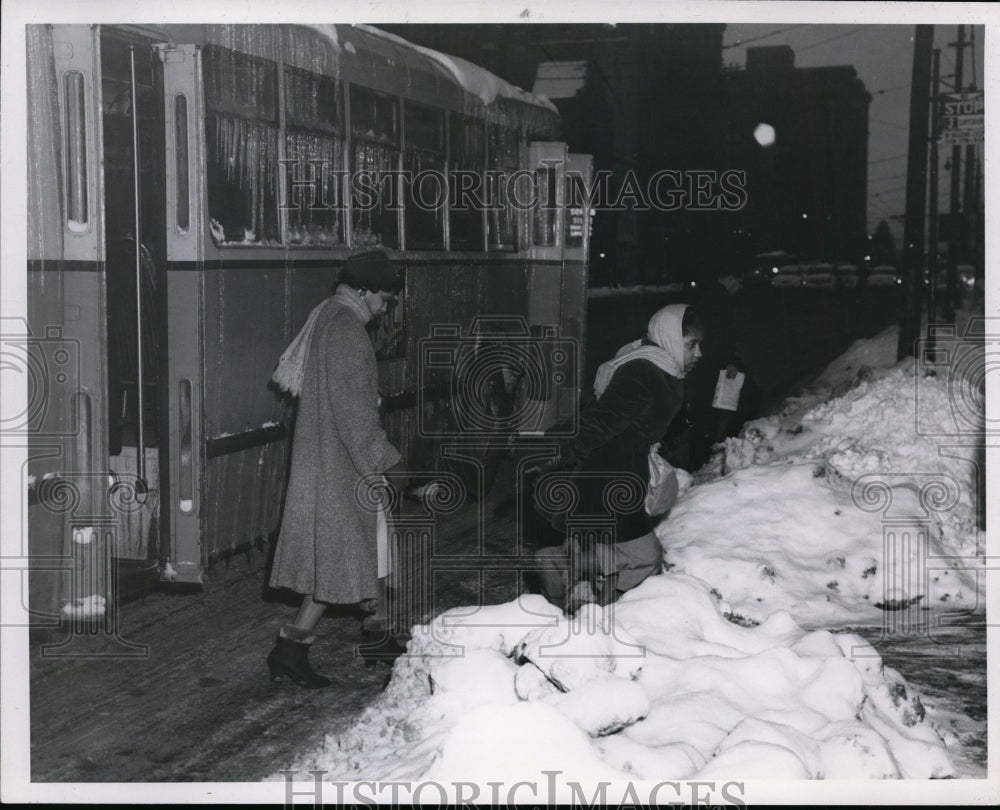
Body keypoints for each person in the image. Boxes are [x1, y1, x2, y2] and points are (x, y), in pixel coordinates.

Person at [266, 250, 405, 689]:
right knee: (340, 563)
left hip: (329, 457)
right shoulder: (347, 329)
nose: (385, 308)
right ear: (363, 291)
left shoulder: (328, 313)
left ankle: (378, 634)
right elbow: (355, 413)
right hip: (342, 464)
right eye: (384, 298)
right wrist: (386, 460)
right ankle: (290, 650)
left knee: (367, 550)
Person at [532, 304, 703, 613]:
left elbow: (646, 421)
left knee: (606, 552)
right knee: (644, 558)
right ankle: (589, 599)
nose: (698, 352)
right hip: (607, 475)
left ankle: (566, 575)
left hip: (625, 473)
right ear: (671, 339)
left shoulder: (665, 366)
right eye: (692, 344)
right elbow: (603, 419)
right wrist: (557, 451)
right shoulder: (643, 370)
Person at [684, 268, 759, 471]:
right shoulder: (719, 299)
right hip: (715, 363)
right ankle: (704, 458)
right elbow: (718, 336)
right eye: (738, 282)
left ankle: (702, 456)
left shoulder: (712, 295)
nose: (739, 288)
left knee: (708, 411)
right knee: (711, 412)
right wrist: (728, 361)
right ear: (728, 277)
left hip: (709, 362)